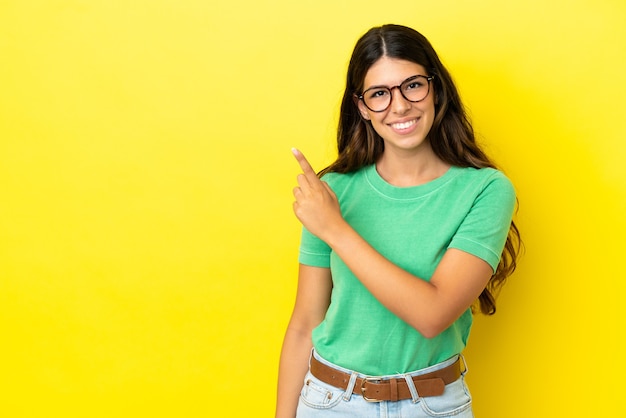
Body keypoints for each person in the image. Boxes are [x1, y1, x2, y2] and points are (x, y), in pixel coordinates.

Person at [276, 24, 522, 418]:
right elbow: (305, 322)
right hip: (329, 403)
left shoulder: (486, 190)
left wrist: (335, 229)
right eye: (379, 94)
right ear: (362, 108)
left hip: (433, 405)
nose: (400, 106)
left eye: (412, 86)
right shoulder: (333, 191)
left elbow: (433, 315)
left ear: (435, 88)